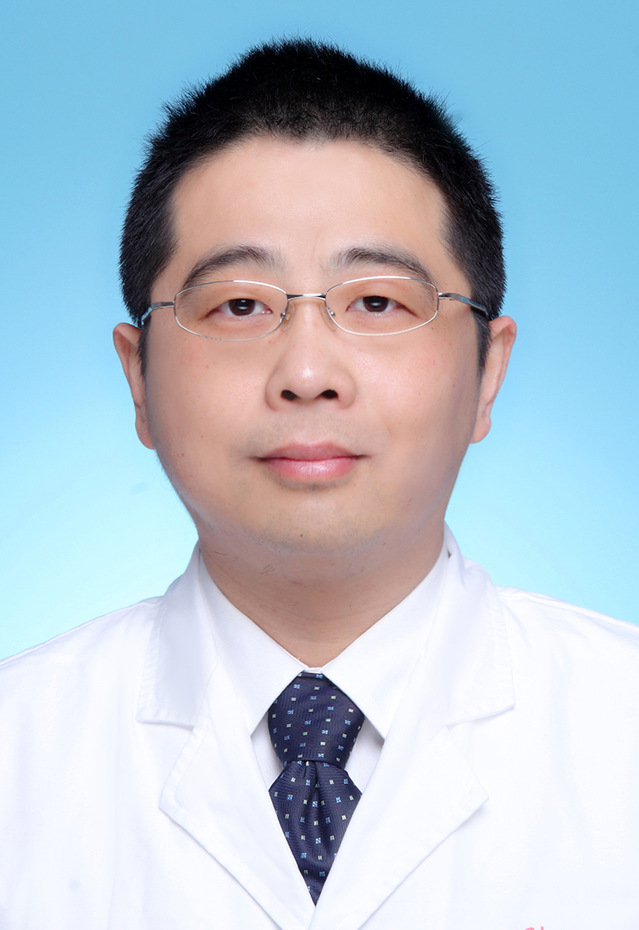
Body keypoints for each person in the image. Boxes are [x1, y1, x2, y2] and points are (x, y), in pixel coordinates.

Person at [0, 39, 637, 930]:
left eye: (376, 303)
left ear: (486, 373)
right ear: (138, 377)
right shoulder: (18, 750)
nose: (306, 374)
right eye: (239, 305)